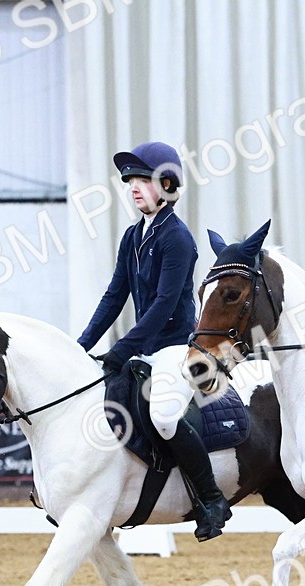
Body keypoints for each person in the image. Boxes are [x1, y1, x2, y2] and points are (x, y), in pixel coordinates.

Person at [76, 141, 231, 542]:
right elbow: (114, 296)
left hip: (177, 348)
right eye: (129, 181)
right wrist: (80, 346)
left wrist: (122, 348)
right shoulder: (133, 237)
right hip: (144, 348)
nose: (133, 188)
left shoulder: (176, 238)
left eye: (142, 180)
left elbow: (164, 305)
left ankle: (211, 499)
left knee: (163, 417)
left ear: (167, 183)